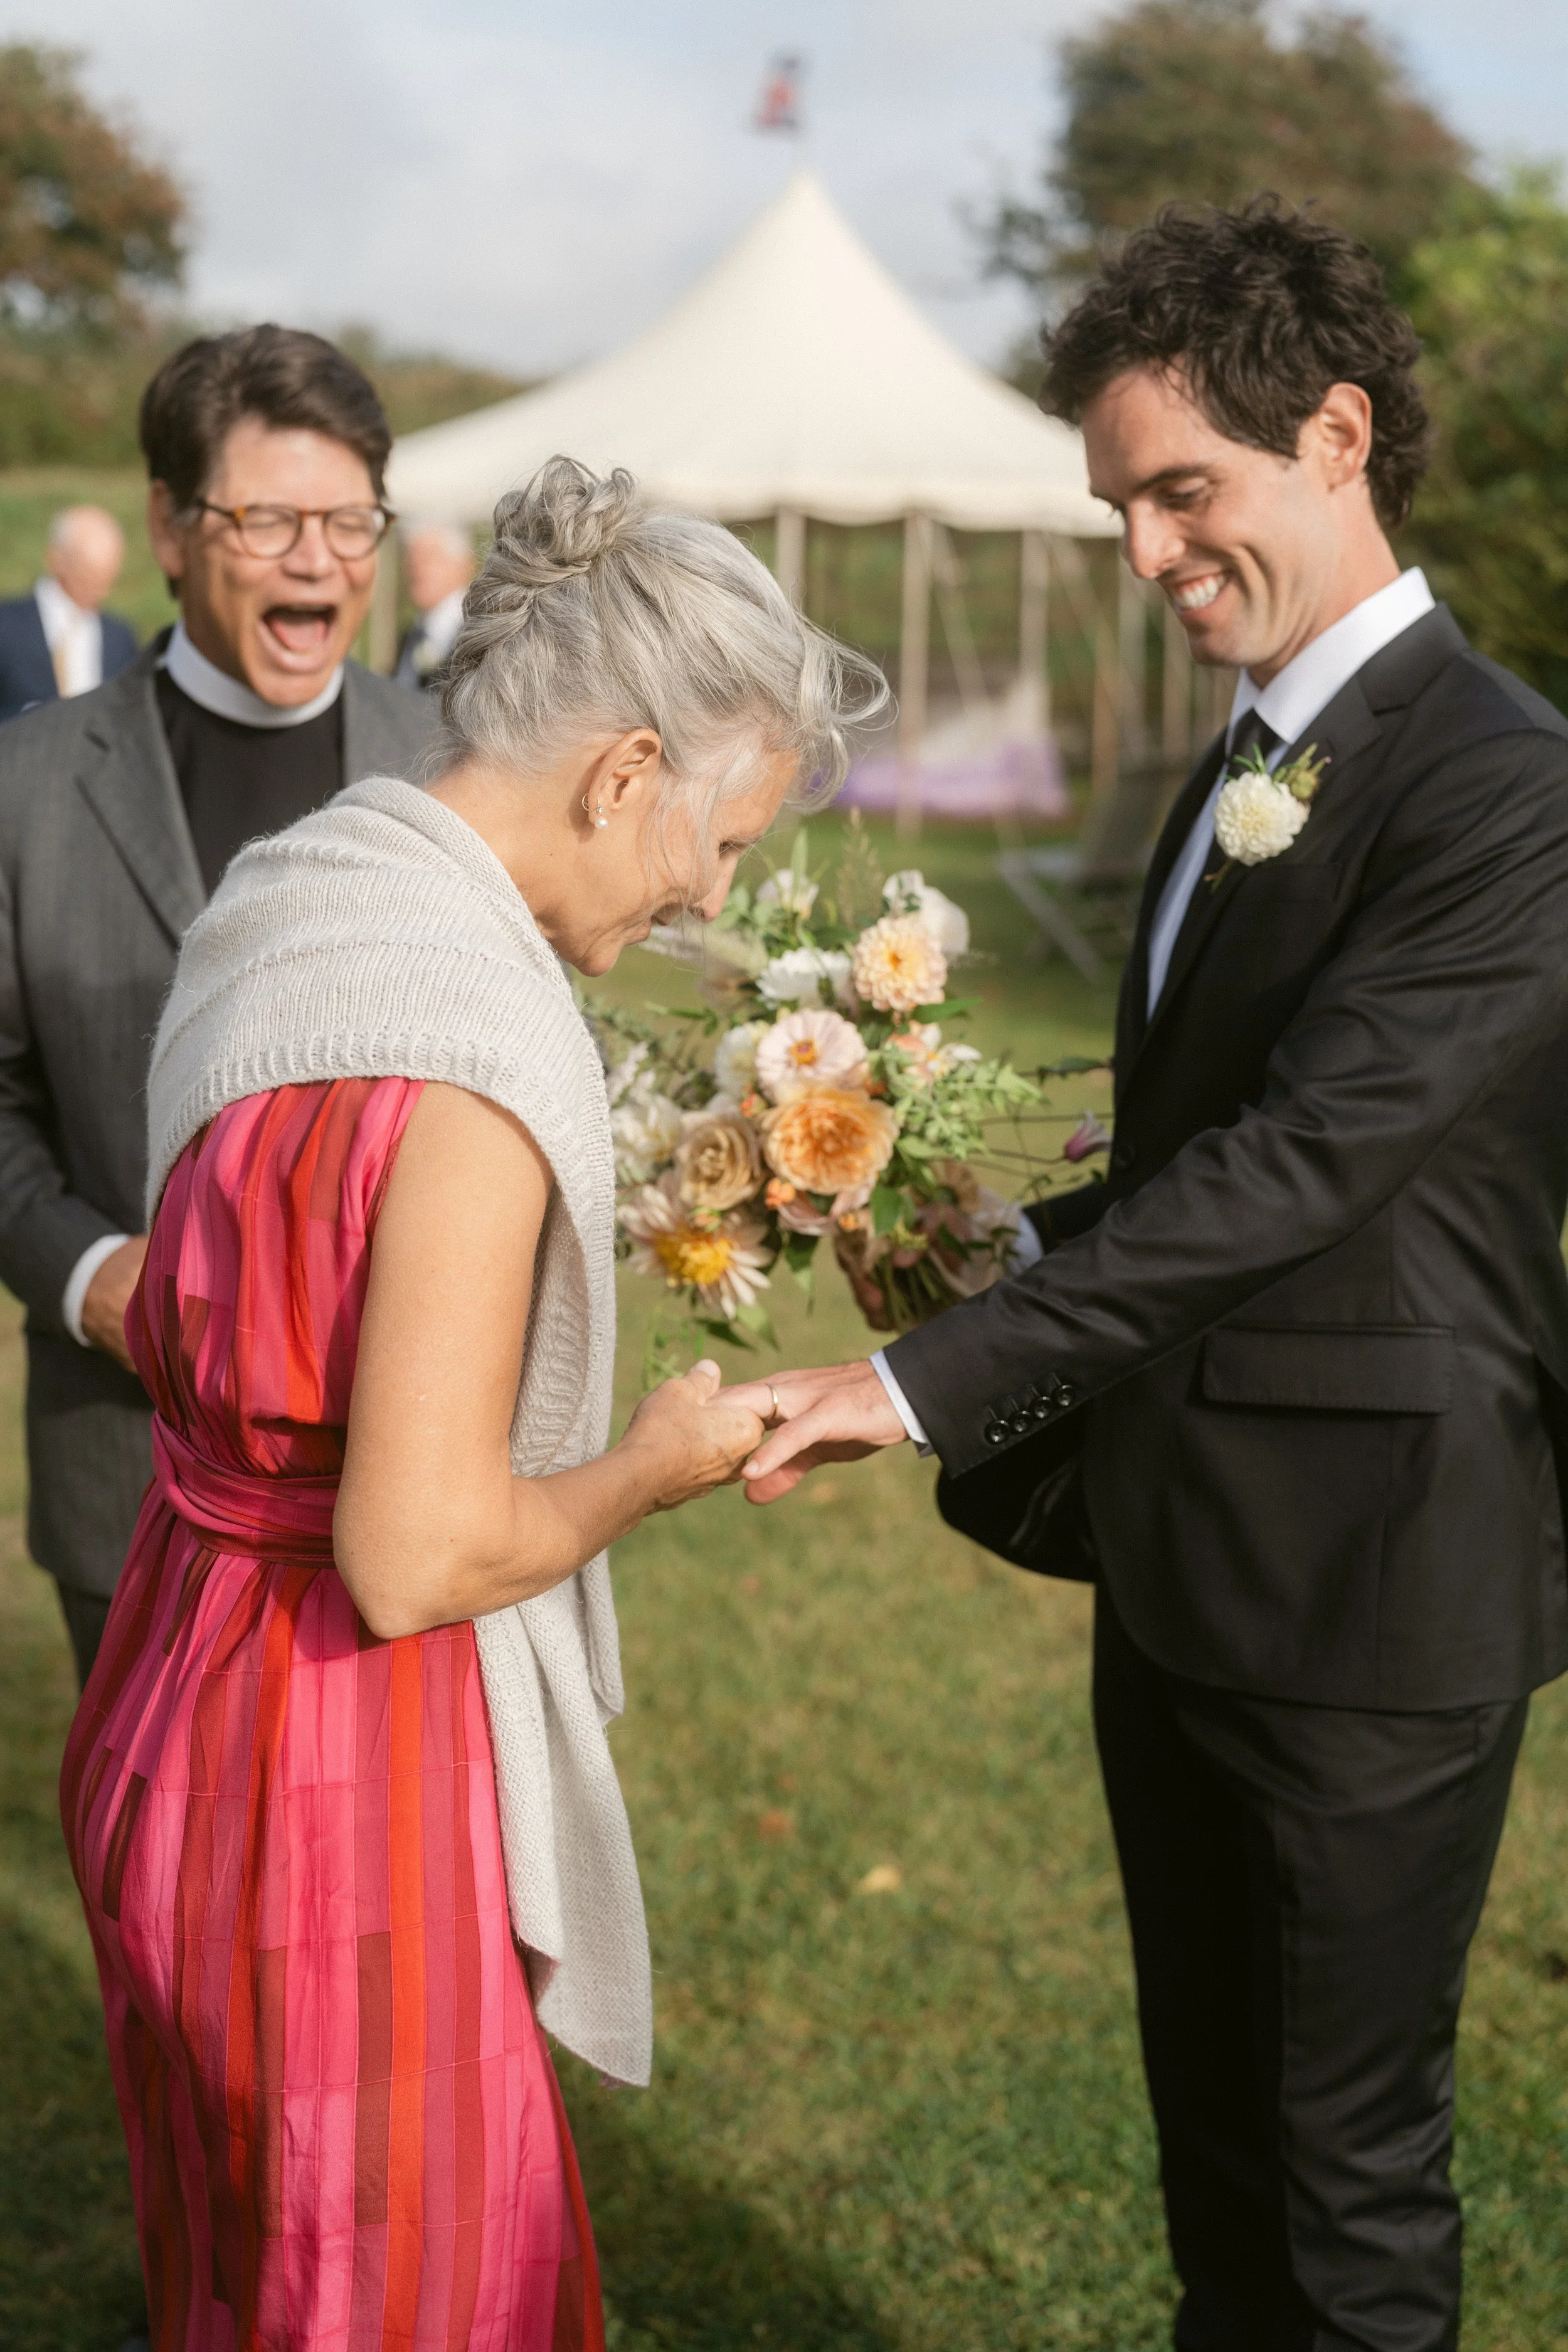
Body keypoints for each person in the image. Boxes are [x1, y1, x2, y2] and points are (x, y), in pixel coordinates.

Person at [734, 199, 1568, 2351]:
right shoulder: (1235, 767)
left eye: (1182, 493)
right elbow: (1203, 1158)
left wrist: (931, 1387)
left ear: (1343, 437)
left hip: (1376, 1595)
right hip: (1190, 1569)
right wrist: (974, 1239)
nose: (1143, 551)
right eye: (1115, 505)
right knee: (1216, 2146)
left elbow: (1312, 1169)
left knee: (1347, 2194)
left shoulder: (1508, 788)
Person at [60, 454, 882, 2350]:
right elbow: (417, 1547)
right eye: (726, 841)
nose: (710, 895)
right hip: (332, 1776)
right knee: (398, 2290)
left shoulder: (296, 893)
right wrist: (650, 1462)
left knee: (240, 2267)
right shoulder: (468, 1046)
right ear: (620, 774)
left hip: (170, 1691)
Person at [0, 325, 438, 1689]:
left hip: (405, 1473)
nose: (318, 557)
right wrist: (93, 1280)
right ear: (172, 529)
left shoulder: (453, 774)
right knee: (152, 1896)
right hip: (126, 1471)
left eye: (349, 518)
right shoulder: (26, 783)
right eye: (266, 518)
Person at [0, 505, 137, 722]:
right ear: (55, 558)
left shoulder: (119, 639)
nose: (101, 592)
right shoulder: (7, 627)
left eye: (107, 580)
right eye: (87, 577)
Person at [393, 519, 477, 691]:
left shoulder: (478, 631)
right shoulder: (409, 636)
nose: (417, 568)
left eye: (429, 557)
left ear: (464, 564)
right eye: (412, 558)